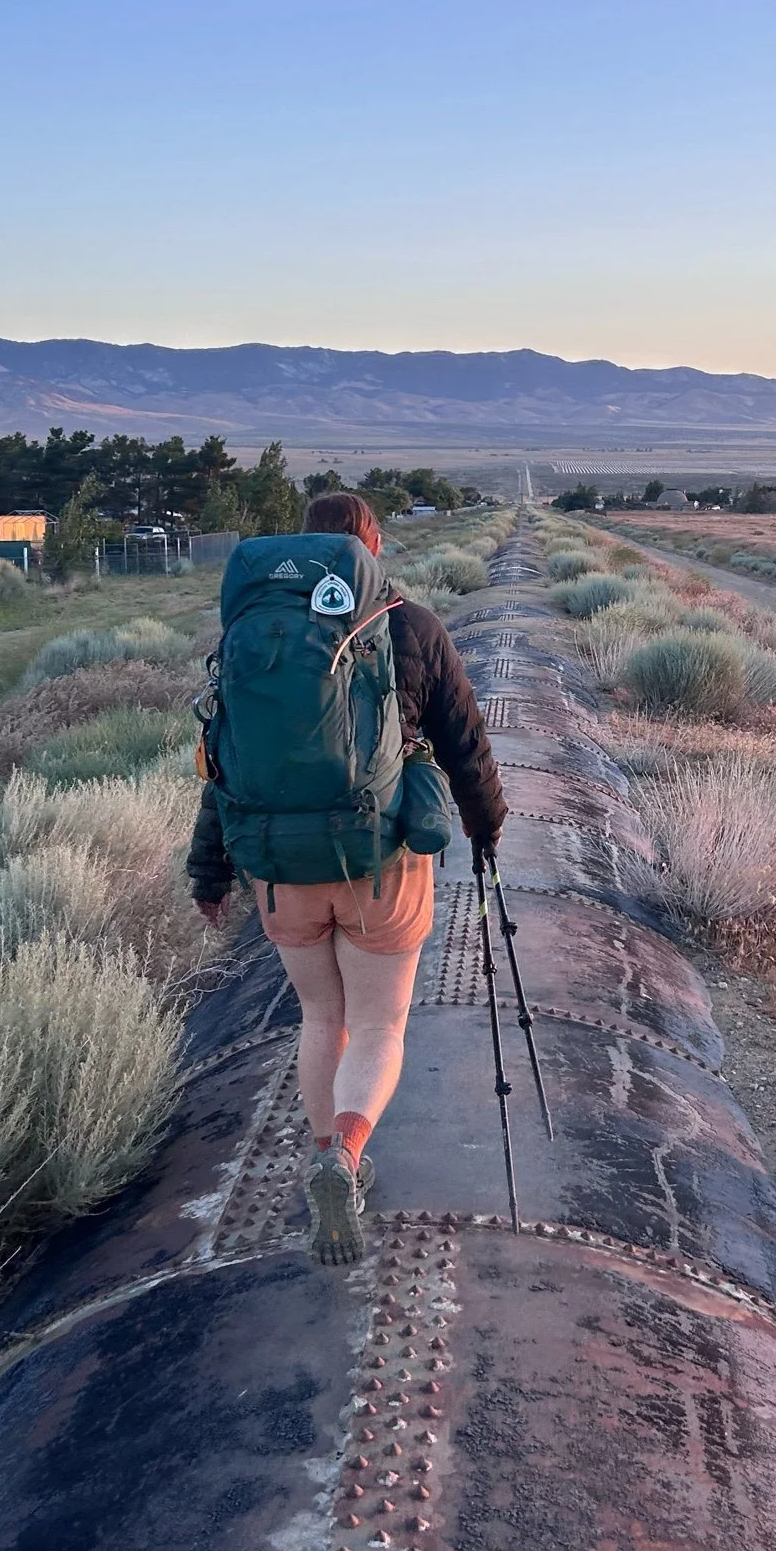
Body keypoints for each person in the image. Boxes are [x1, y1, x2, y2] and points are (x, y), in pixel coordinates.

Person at [188, 492, 506, 1264]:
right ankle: (348, 1155)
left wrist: (209, 869)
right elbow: (464, 739)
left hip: (279, 869)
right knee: (378, 1026)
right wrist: (485, 824)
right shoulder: (411, 625)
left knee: (318, 1019)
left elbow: (223, 761)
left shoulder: (253, 636)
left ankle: (325, 1145)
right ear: (372, 545)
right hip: (380, 863)